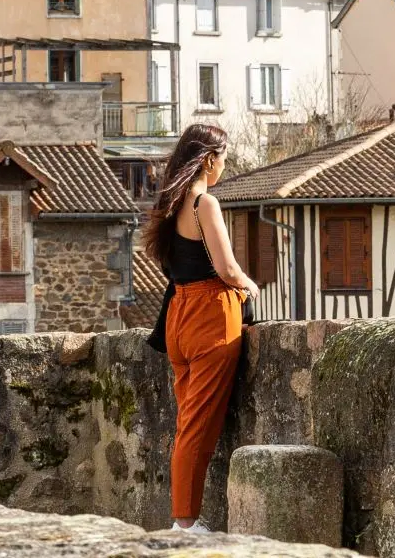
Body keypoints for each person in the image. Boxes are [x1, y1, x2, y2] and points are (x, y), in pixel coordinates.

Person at [141, 124, 260, 533]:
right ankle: (186, 523)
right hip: (210, 313)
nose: (224, 167)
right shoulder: (203, 203)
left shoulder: (170, 204)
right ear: (210, 159)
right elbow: (226, 268)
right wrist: (248, 284)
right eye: (223, 159)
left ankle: (185, 517)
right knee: (195, 425)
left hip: (178, 314)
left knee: (187, 421)